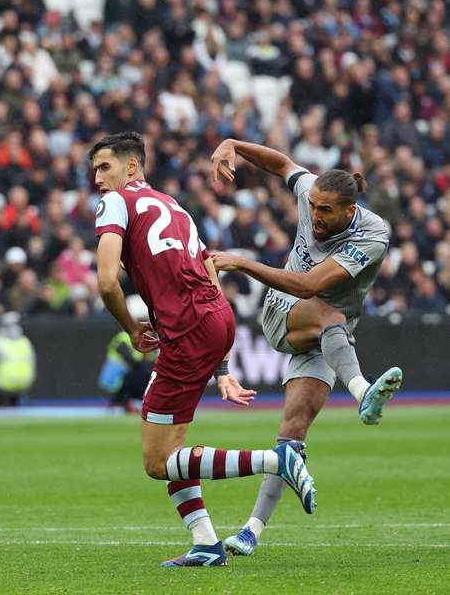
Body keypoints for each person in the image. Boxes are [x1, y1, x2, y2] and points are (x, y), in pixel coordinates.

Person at [91, 131, 315, 567]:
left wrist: (132, 328)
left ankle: (277, 459)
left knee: (158, 462)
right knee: (173, 445)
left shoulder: (117, 203)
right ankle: (207, 543)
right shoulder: (174, 206)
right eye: (95, 170)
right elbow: (209, 266)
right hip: (215, 317)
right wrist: (221, 365)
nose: (98, 178)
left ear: (132, 167)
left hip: (187, 329)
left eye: (105, 167)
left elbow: (104, 281)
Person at [207, 138, 403, 556]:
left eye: (325, 210)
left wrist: (242, 262)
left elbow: (314, 285)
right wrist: (233, 145)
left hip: (328, 337)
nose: (314, 215)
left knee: (291, 435)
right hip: (285, 312)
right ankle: (363, 393)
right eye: (312, 205)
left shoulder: (372, 235)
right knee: (331, 316)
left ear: (349, 211)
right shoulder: (312, 190)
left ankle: (250, 531)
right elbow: (280, 163)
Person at [98, 296, 158, 412]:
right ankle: (125, 403)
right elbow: (132, 362)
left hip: (130, 379)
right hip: (114, 380)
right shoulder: (123, 338)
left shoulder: (150, 341)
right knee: (141, 372)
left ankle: (142, 402)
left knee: (148, 373)